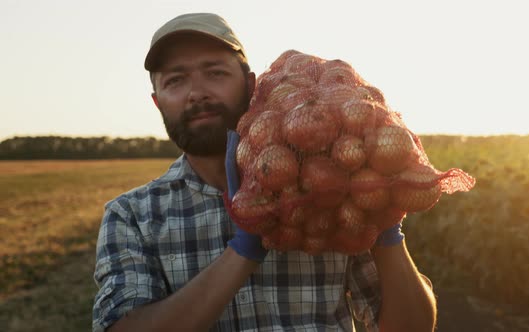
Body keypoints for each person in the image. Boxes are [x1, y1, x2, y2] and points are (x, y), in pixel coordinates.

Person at [92, 12, 437, 332]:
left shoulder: (330, 194)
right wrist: (241, 253)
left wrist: (387, 234)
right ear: (157, 101)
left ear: (251, 83)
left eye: (215, 73)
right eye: (176, 81)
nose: (196, 93)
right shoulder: (133, 216)